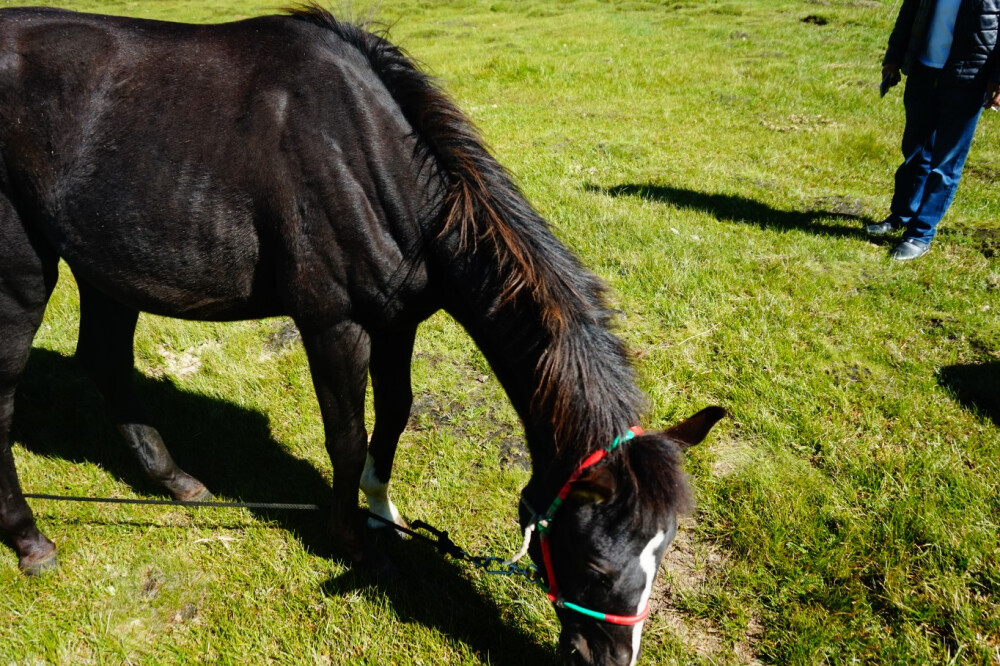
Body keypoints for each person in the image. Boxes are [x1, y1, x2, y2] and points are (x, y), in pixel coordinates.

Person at [870, 0, 1000, 261]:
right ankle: (901, 216)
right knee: (914, 153)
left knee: (946, 164)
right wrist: (893, 58)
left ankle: (920, 234)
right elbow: (908, 13)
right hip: (922, 72)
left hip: (967, 79)